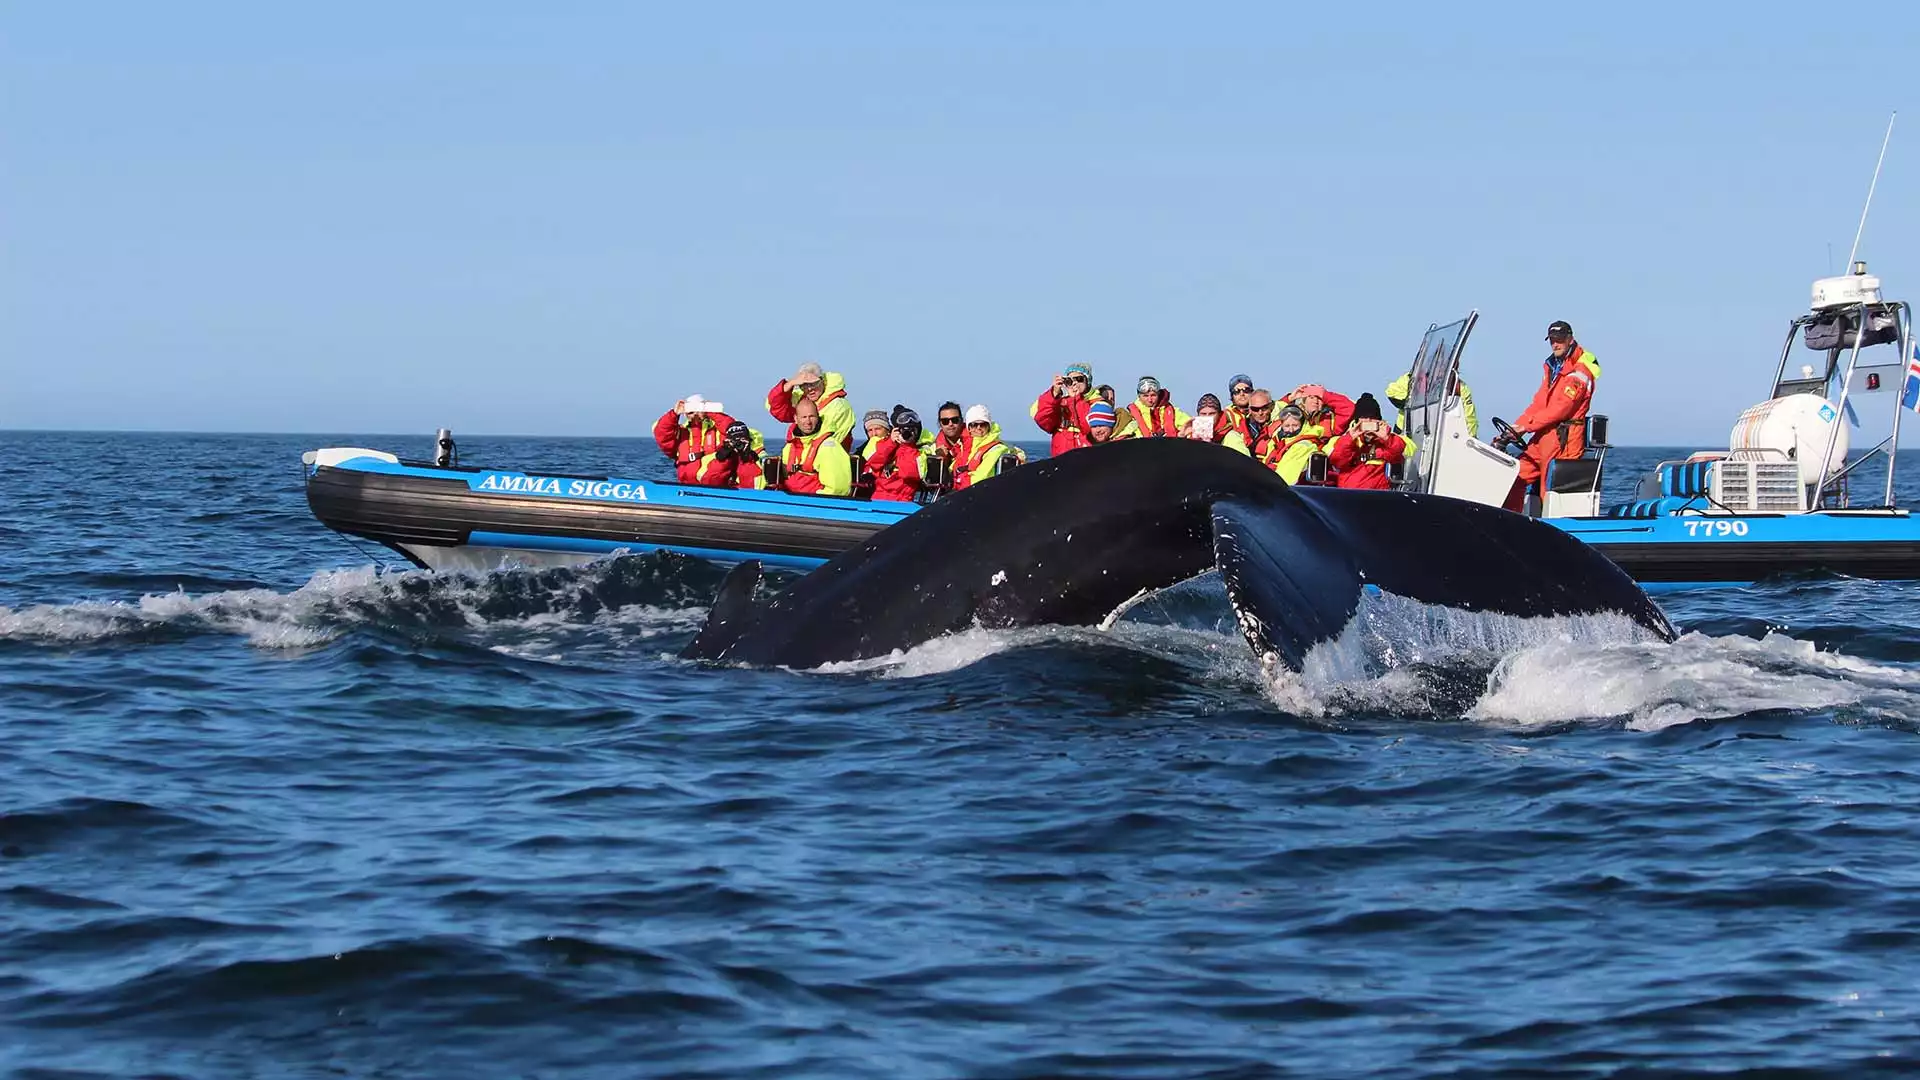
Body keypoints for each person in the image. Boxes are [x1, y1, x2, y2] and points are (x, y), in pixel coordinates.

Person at [1503, 319, 1602, 512]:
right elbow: (1539, 403)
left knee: (1547, 489)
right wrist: (1515, 429)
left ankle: (1547, 529)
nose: (1556, 344)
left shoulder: (1579, 371)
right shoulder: (1552, 367)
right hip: (1542, 435)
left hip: (1563, 437)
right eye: (1552, 340)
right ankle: (1509, 521)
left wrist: (1527, 427)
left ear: (1570, 339)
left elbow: (1561, 409)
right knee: (1515, 477)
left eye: (1560, 339)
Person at [1326, 392, 1407, 490]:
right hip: (1349, 496)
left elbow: (1397, 453)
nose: (1368, 421)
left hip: (1377, 497)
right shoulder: (1346, 440)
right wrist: (1350, 438)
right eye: (1364, 418)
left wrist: (1386, 438)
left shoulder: (1386, 441)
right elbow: (1338, 461)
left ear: (1379, 420)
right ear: (1357, 420)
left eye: (1372, 418)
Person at [767, 361, 856, 449]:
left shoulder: (839, 406)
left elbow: (830, 443)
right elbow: (776, 408)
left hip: (827, 458)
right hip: (801, 455)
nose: (810, 389)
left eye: (814, 384)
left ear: (823, 381)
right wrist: (790, 384)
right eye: (804, 385)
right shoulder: (801, 399)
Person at [652, 394, 738, 484]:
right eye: (690, 410)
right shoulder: (681, 432)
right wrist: (674, 413)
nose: (694, 414)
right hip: (687, 486)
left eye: (697, 409)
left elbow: (733, 430)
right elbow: (662, 434)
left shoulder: (717, 429)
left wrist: (711, 411)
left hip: (718, 486)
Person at [777, 398, 854, 496]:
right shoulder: (789, 447)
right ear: (796, 419)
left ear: (818, 417)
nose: (808, 421)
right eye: (804, 417)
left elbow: (837, 489)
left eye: (811, 416)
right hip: (791, 500)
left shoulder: (829, 447)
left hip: (816, 504)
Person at [856, 409, 925, 502]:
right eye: (903, 430)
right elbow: (874, 464)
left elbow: (909, 474)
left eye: (911, 430)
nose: (906, 433)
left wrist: (907, 446)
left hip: (902, 501)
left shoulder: (918, 453)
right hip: (877, 499)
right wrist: (891, 443)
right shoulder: (884, 445)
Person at [1386, 370, 1478, 438]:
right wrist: (1413, 400)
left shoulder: (1460, 387)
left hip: (1441, 434)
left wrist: (1471, 437)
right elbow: (1392, 392)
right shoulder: (1413, 377)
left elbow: (1469, 417)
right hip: (1406, 431)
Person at [1032, 362, 1097, 455]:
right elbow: (1043, 421)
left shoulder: (1094, 403)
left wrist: (1076, 400)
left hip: (1086, 459)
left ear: (1088, 382)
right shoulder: (1060, 404)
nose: (1074, 383)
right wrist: (1054, 393)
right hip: (1061, 460)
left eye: (1079, 379)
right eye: (1069, 381)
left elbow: (1088, 428)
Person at [953, 405, 1015, 490]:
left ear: (989, 427)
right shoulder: (965, 447)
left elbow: (979, 479)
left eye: (983, 425)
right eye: (974, 425)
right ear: (969, 428)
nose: (978, 428)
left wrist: (958, 480)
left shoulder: (997, 449)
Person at [1260, 404, 1325, 484]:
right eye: (1287, 426)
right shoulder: (1277, 442)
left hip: (1285, 489)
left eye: (1295, 425)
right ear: (1281, 426)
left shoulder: (1304, 445)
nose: (1291, 430)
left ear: (1302, 424)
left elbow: (1286, 478)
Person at [695, 420, 767, 489]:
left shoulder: (759, 456)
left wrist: (747, 458)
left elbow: (756, 487)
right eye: (734, 441)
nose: (738, 444)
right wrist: (724, 457)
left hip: (747, 495)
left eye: (742, 440)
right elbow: (707, 481)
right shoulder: (712, 458)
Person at [1119, 376, 1188, 438]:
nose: (1150, 400)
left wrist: (1183, 433)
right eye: (1145, 396)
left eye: (1153, 395)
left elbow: (1192, 425)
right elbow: (1121, 435)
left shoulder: (1173, 412)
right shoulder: (1131, 415)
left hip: (1170, 449)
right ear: (1139, 396)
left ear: (1158, 394)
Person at [1181, 393, 1249, 453]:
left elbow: (1244, 461)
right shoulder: (1191, 436)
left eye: (1212, 414)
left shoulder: (1231, 436)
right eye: (1203, 414)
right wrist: (1181, 438)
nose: (1207, 417)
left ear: (1219, 415)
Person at [1286, 383, 1355, 438]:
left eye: (1319, 398)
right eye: (1311, 397)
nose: (1315, 401)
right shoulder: (1293, 416)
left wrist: (1325, 395)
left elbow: (1349, 408)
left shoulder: (1330, 420)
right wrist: (1289, 399)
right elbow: (1276, 416)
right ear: (1304, 401)